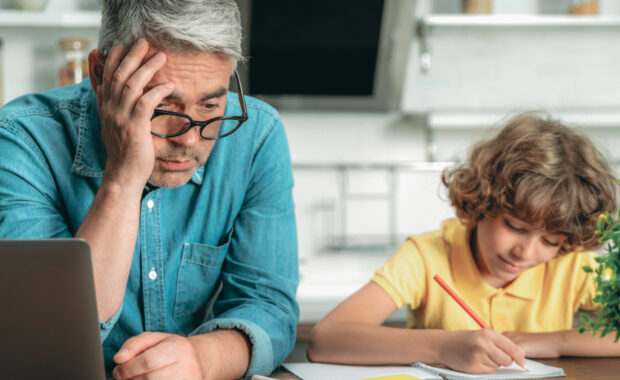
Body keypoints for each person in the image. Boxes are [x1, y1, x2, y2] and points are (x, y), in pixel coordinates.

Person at [0, 1, 299, 379]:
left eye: (210, 105)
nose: (189, 139)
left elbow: (268, 306)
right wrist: (123, 176)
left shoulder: (257, 136)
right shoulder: (20, 140)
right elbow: (42, 342)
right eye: (160, 105)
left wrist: (202, 358)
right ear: (100, 74)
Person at [307, 113, 620, 373]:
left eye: (550, 240)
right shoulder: (425, 256)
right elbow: (326, 339)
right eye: (514, 226)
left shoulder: (573, 263)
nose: (524, 252)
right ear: (483, 202)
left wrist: (554, 342)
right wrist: (444, 346)